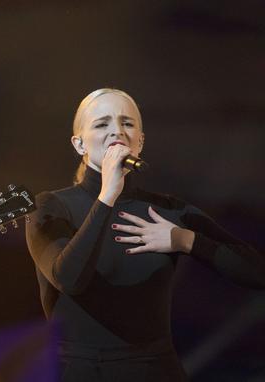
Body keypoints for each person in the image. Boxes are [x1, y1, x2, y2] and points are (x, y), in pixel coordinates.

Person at [25, 88, 265, 381]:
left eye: (127, 123)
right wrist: (107, 196)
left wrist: (184, 240)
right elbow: (69, 279)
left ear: (140, 140)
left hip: (156, 370)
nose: (117, 132)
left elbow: (256, 272)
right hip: (81, 371)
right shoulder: (51, 206)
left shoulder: (168, 210)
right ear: (79, 144)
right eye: (102, 124)